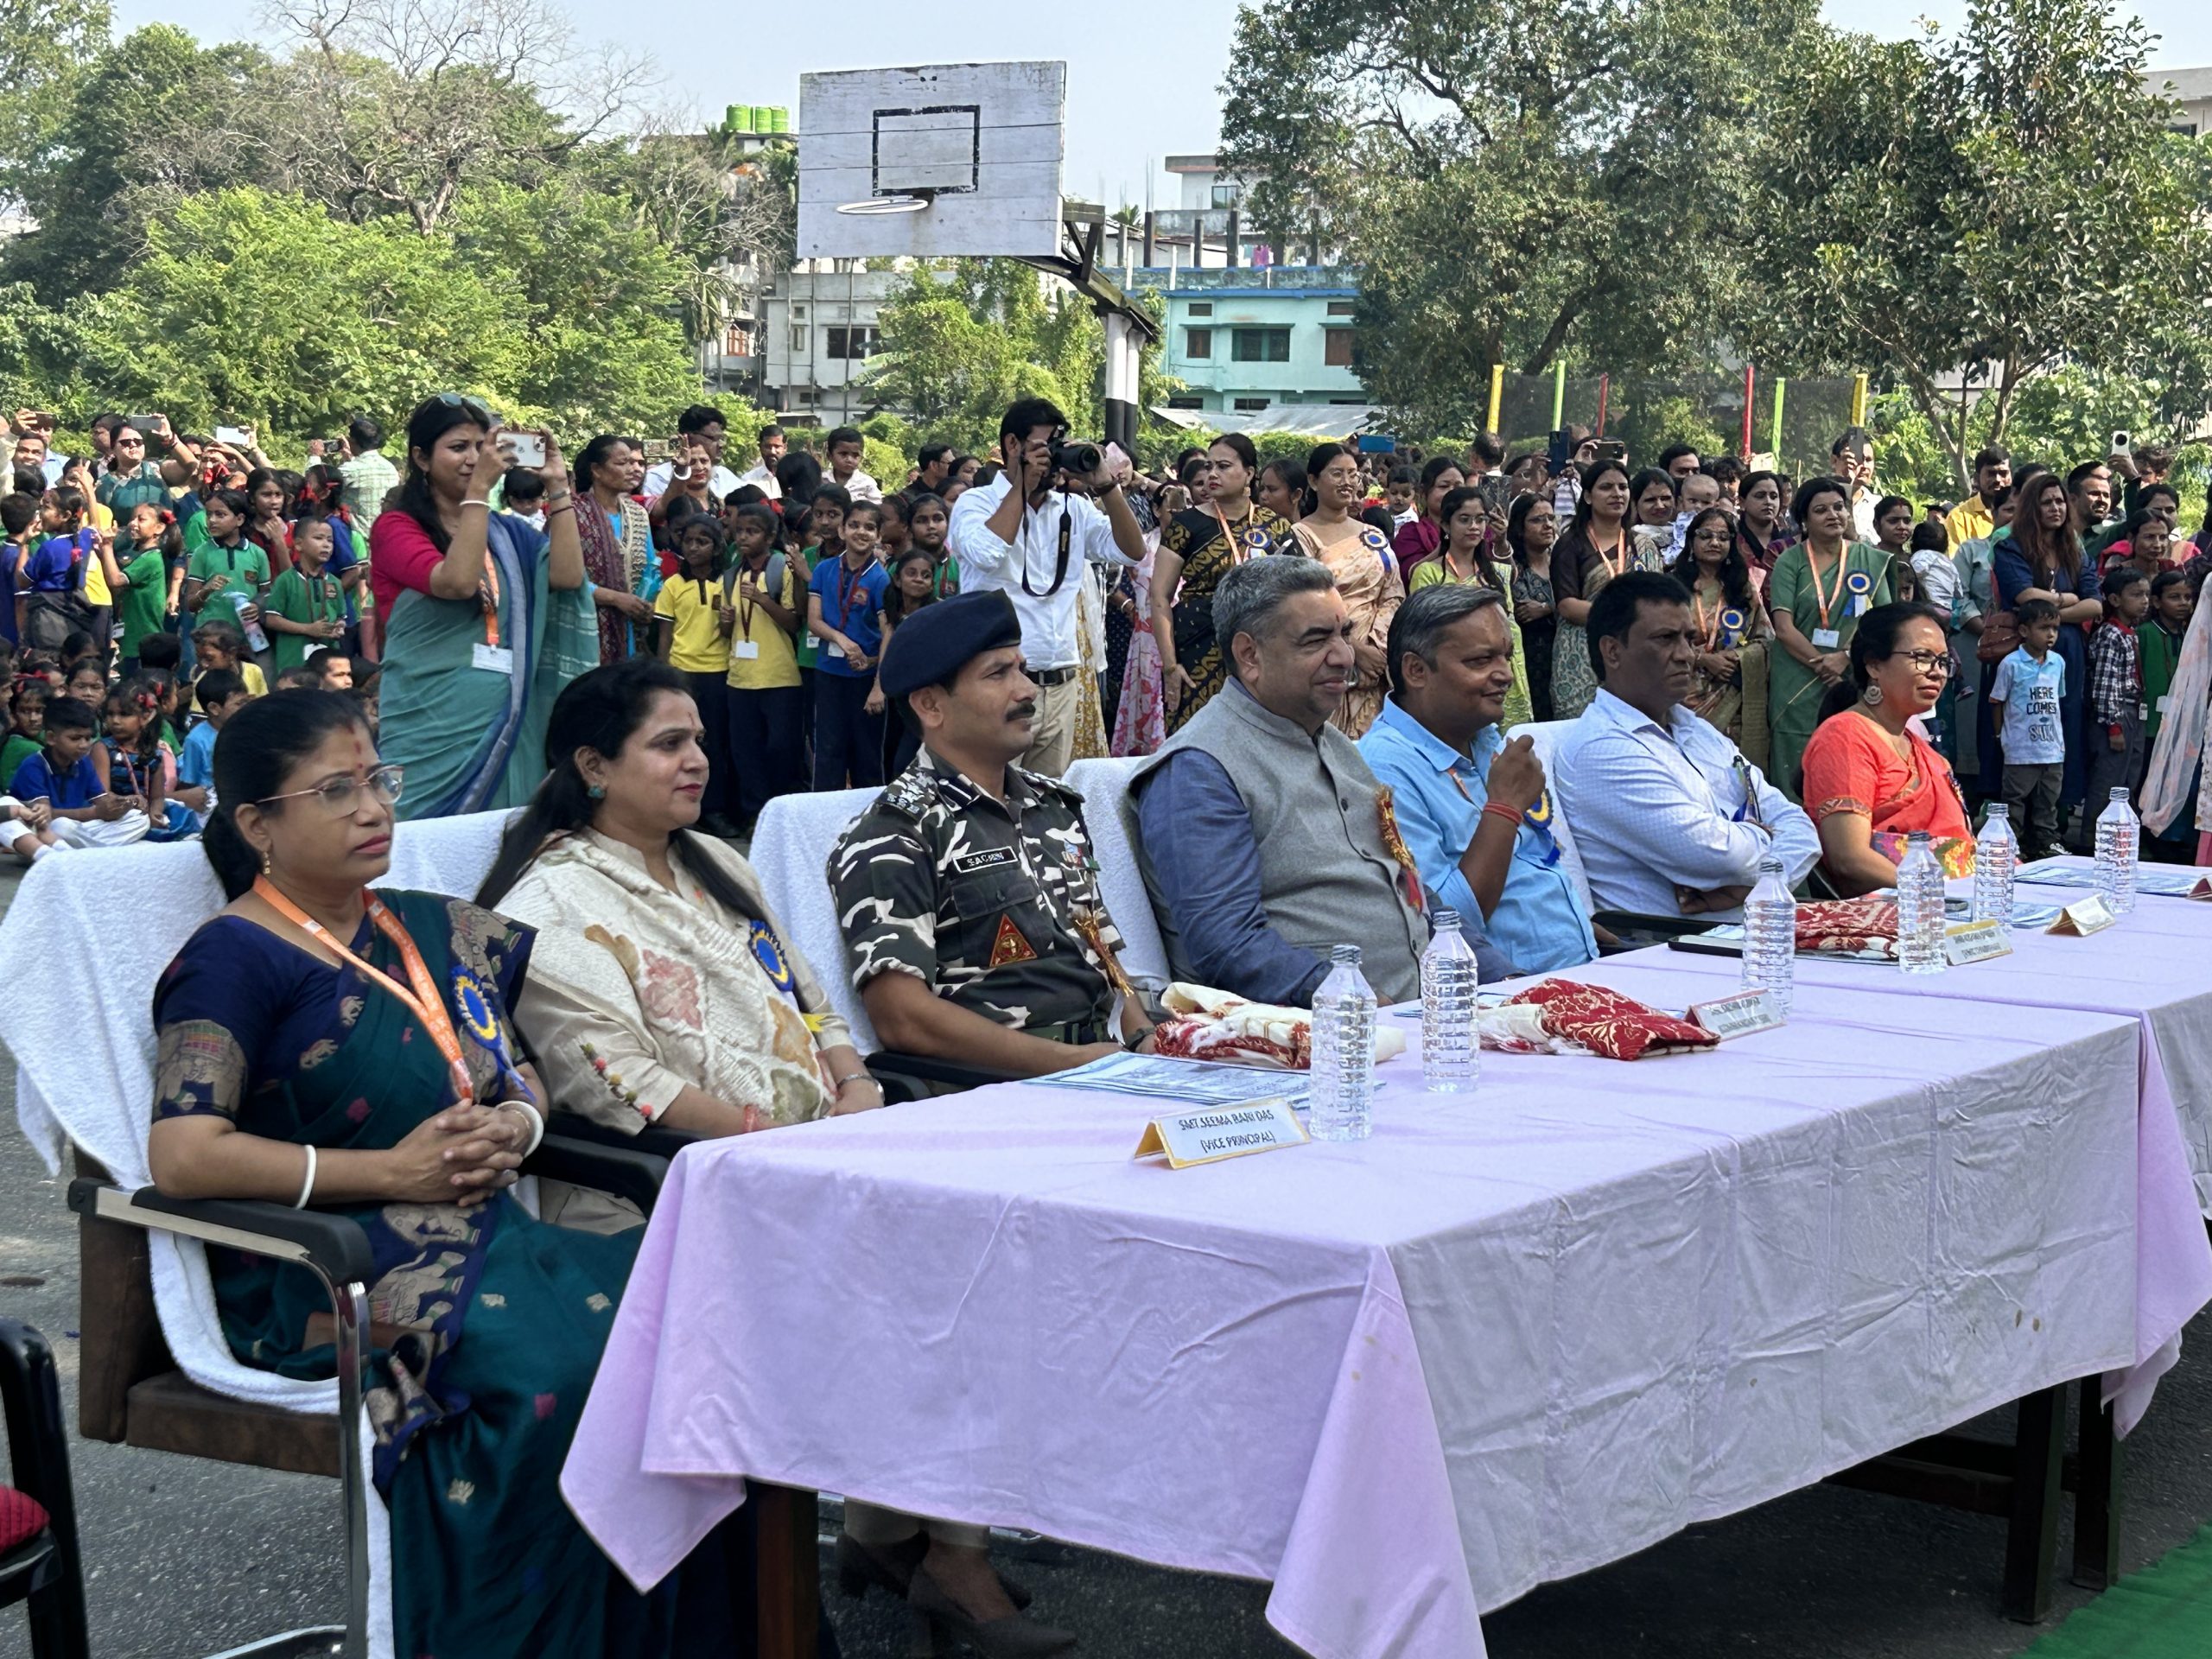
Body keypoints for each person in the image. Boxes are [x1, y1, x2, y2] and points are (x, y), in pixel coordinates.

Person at [148, 689, 761, 1658]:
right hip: (331, 1271)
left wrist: (516, 1123)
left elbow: (521, 1071)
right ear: (257, 824)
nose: (374, 808)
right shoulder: (233, 958)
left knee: (692, 1325)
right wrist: (393, 1169)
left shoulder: (429, 928)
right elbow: (183, 1154)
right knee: (558, 1375)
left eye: (378, 781)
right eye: (337, 791)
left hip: (487, 1230)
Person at [480, 657, 877, 1160]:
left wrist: (857, 1084)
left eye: (698, 741)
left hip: (825, 1141)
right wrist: (777, 1141)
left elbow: (810, 1005)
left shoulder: (717, 861)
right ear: (594, 766)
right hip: (691, 1169)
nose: (698, 760)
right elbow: (618, 1080)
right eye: (670, 744)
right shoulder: (549, 904)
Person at [830, 591, 1154, 1077]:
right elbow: (901, 1018)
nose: (1027, 690)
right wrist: (1075, 1064)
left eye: (1022, 669)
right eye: (998, 674)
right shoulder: (897, 833)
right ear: (930, 705)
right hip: (997, 1085)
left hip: (1106, 1064)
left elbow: (1099, 950)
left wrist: (1145, 1036)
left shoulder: (1053, 809)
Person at [1131, 558, 1454, 1005]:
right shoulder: (1198, 771)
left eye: (1344, 634)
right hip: (1329, 1032)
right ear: (1250, 656)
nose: (1344, 656)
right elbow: (1227, 946)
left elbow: (1412, 888)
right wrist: (1350, 998)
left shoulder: (1335, 745)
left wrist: (1500, 979)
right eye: (1316, 640)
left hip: (1422, 1014)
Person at [370, 394, 596, 819]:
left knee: (503, 844)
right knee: (425, 843)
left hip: (508, 719)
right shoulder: (396, 528)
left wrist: (558, 487)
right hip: (429, 723)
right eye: (459, 448)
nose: (474, 459)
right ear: (421, 458)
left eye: (481, 446)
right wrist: (479, 490)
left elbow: (568, 577)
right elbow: (456, 582)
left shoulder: (508, 533)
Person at [1552, 572, 1819, 921]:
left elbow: (1801, 828)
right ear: (1613, 651)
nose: (1686, 655)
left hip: (1746, 929)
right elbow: (1718, 856)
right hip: (1670, 944)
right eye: (1665, 639)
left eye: (1689, 639)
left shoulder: (1696, 730)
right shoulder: (1602, 749)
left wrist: (1756, 885)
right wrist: (1763, 837)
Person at [1359, 584, 1596, 974]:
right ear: (1416, 671)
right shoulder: (1384, 768)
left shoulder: (1483, 737)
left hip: (1584, 966)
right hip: (1505, 990)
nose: (1506, 675)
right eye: (1481, 660)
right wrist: (1504, 808)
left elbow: (1533, 867)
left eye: (1507, 656)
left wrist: (1576, 927)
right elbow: (1442, 925)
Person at [947, 397, 1148, 777]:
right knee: (988, 793)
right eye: (1045, 447)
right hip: (996, 681)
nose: (1054, 459)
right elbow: (988, 554)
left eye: (1059, 446)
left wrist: (1106, 485)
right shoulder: (975, 503)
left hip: (1061, 682)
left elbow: (1132, 551)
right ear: (1012, 445)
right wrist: (1022, 487)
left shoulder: (1073, 508)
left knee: (1043, 800)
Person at [1799, 603, 1972, 893]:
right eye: (1922, 658)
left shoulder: (1928, 755)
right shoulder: (1846, 736)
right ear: (1874, 665)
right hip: (1904, 908)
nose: (1937, 673)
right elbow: (1849, 858)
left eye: (1943, 661)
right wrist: (1940, 894)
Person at [1151, 434, 1298, 734]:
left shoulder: (1276, 526)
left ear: (1249, 473)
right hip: (1199, 647)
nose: (1212, 475)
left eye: (1223, 466)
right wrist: (1170, 665)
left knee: (1259, 736)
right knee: (1197, 737)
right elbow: (1159, 596)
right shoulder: (1186, 524)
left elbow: (1298, 590)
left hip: (1262, 649)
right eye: (1209, 466)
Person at [1765, 475, 1895, 798]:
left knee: (1849, 756)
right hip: (1796, 678)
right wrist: (1824, 665)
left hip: (1853, 676)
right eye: (1821, 510)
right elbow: (1783, 627)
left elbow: (1884, 621)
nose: (1833, 515)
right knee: (1795, 764)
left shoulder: (1868, 559)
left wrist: (1846, 657)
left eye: (1838, 507)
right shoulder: (1790, 561)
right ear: (1804, 520)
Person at [1993, 471, 2100, 822]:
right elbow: (2023, 595)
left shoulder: (2075, 550)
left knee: (2063, 724)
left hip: (2066, 654)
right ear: (2032, 508)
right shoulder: (2011, 547)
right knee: (2021, 725)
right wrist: (2067, 599)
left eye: (2060, 501)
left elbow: (2094, 605)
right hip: (2022, 654)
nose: (2056, 508)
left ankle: (2054, 821)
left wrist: (2048, 618)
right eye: (2046, 502)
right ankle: (2014, 824)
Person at [1292, 441, 1405, 737]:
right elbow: (1305, 602)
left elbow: (1393, 592)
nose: (1347, 482)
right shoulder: (1300, 536)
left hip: (1378, 664)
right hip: (1328, 657)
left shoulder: (1373, 534)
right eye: (1337, 474)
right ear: (1313, 481)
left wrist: (1377, 647)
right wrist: (1353, 648)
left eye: (1352, 474)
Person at [1410, 484, 1532, 728]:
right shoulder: (1429, 574)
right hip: (1456, 673)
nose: (1474, 526)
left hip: (1502, 671)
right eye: (1464, 520)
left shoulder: (1497, 572)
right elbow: (1423, 633)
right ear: (1446, 525)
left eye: (1480, 519)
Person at [649, 514, 739, 836]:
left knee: (717, 743)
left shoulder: (727, 583)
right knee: (682, 742)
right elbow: (665, 636)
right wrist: (664, 677)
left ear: (716, 547)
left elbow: (730, 632)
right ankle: (679, 808)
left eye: (703, 541)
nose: (694, 547)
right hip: (682, 673)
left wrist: (727, 621)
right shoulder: (673, 585)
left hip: (718, 671)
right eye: (689, 541)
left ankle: (714, 809)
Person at [718, 501, 804, 830]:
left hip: (779, 676)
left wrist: (762, 600)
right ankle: (755, 813)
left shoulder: (781, 569)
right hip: (740, 678)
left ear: (769, 537)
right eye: (739, 531)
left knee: (781, 748)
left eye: (752, 532)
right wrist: (726, 622)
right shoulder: (731, 574)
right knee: (745, 751)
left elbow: (794, 623)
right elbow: (727, 632)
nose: (743, 537)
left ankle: (782, 812)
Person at [1667, 505, 1772, 764]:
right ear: (1691, 542)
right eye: (1706, 536)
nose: (1715, 542)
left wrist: (1737, 657)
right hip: (1681, 693)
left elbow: (1766, 639)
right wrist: (1703, 659)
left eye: (1723, 537)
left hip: (1731, 693)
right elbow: (1658, 638)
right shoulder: (1671, 585)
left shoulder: (1742, 587)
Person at [809, 498, 892, 789]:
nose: (861, 532)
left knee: (866, 756)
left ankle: (867, 815)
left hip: (864, 678)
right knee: (828, 751)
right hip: (829, 672)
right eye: (854, 525)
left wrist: (879, 686)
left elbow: (888, 633)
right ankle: (824, 813)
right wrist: (841, 639)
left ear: (878, 535)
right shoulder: (824, 569)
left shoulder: (881, 579)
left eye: (869, 527)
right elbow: (814, 621)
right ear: (842, 530)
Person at [1548, 455, 1637, 720]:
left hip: (1634, 648)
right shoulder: (1571, 544)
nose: (1617, 494)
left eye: (1622, 487)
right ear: (1587, 496)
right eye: (1606, 487)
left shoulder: (1641, 545)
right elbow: (1567, 605)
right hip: (1581, 652)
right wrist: (1625, 617)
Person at [4, 692, 149, 847]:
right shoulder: (33, 766)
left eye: (88, 738)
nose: (84, 745)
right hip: (44, 831)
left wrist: (127, 802)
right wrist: (94, 813)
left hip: (77, 827)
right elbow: (45, 814)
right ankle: (97, 850)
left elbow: (102, 800)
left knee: (139, 818)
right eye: (75, 738)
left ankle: (88, 850)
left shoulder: (83, 762)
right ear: (51, 738)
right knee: (62, 826)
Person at [1988, 597, 2069, 860]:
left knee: (2048, 800)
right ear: (2024, 630)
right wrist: (2000, 735)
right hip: (2020, 748)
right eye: (2044, 628)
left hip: (2052, 748)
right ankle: (2011, 845)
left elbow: (2057, 701)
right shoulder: (2011, 664)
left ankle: (2047, 842)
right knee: (2015, 800)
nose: (2051, 634)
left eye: (2055, 629)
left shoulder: (2058, 662)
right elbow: (1997, 701)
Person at [572, 435, 657, 664]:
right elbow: (563, 576)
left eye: (635, 462)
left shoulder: (638, 514)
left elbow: (651, 567)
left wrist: (647, 603)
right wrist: (615, 598)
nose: (632, 469)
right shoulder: (572, 514)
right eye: (622, 463)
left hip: (631, 626)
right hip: (587, 626)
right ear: (597, 470)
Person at [2087, 566, 2152, 819]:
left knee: (2128, 777)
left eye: (2146, 595)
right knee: (2108, 779)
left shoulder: (2130, 632)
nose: (2144, 601)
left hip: (2133, 711)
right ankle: (2093, 834)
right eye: (2136, 595)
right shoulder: (2110, 634)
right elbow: (2105, 684)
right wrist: (2113, 726)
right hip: (2116, 714)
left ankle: (2120, 829)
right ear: (2115, 600)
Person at [262, 517, 348, 673]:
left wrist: (339, 627)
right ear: (299, 544)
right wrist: (308, 629)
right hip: (293, 662)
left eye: (330, 540)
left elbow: (340, 616)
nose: (326, 545)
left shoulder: (335, 582)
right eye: (318, 538)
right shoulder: (286, 580)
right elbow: (272, 619)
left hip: (327, 665)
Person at [1506, 492, 1560, 722]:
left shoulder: (1563, 561)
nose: (1547, 525)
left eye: (1551, 518)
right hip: (1532, 658)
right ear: (1520, 528)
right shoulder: (1515, 568)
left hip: (1564, 656)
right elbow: (1524, 611)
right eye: (1537, 520)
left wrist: (1548, 608)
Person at [641, 404, 742, 499]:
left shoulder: (724, 477)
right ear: (687, 438)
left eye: (721, 438)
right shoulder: (658, 478)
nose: (720, 445)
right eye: (713, 438)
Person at [1391, 455, 1464, 575]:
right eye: (1444, 486)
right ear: (1423, 492)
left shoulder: (1476, 530)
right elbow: (1409, 575)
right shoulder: (1411, 534)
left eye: (1458, 487)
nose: (1452, 492)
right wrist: (1442, 549)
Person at [336, 415, 397, 534]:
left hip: (357, 539)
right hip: (383, 534)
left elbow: (319, 487)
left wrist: (315, 456)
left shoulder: (349, 470)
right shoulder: (391, 468)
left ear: (352, 441)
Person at [1945, 445, 2012, 550]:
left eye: (2003, 473)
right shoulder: (1959, 518)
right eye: (1991, 473)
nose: (1997, 480)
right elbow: (1956, 558)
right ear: (1977, 478)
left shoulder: (2026, 513)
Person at [190, 620, 269, 699]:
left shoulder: (253, 672)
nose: (204, 665)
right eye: (199, 658)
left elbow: (264, 702)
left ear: (232, 654)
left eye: (209, 659)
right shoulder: (202, 681)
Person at [825, 426, 882, 504]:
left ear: (861, 457)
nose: (849, 460)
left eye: (855, 455)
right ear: (829, 456)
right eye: (843, 454)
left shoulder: (867, 483)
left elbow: (877, 507)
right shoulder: (822, 480)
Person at [736, 423, 785, 499]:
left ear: (785, 447)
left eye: (777, 446)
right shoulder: (748, 481)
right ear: (760, 447)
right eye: (768, 447)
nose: (772, 451)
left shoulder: (795, 480)